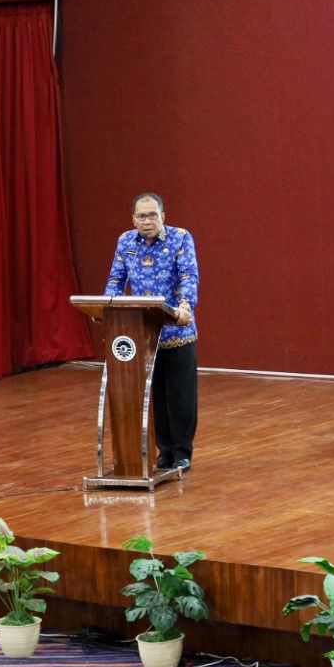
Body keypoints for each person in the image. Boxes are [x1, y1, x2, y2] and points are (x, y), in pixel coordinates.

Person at [104, 192, 200, 471]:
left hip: (177, 332)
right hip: (143, 335)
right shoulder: (125, 241)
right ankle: (164, 451)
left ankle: (182, 452)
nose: (148, 221)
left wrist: (185, 306)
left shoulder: (180, 238)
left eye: (153, 215)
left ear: (163, 216)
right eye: (142, 216)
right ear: (133, 219)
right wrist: (106, 307)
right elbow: (116, 278)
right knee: (154, 395)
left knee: (180, 397)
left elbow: (189, 276)